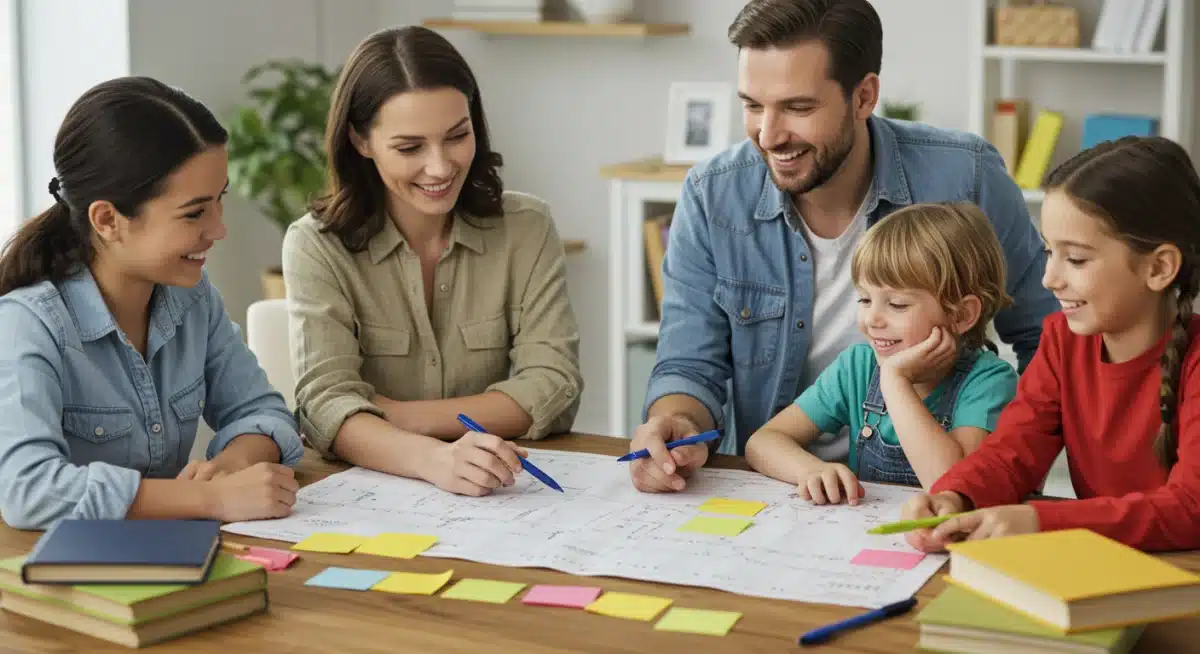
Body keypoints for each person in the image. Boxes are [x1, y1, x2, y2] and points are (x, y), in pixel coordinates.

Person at [628, 0, 1057, 493]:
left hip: (946, 491)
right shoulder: (713, 194)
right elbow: (689, 363)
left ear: (864, 97)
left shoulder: (968, 178)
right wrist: (677, 423)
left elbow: (1049, 340)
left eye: (798, 107)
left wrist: (1006, 472)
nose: (768, 135)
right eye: (752, 105)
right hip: (784, 489)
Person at [283, 26, 583, 498]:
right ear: (361, 141)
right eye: (410, 148)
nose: (441, 167)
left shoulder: (527, 227)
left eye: (457, 136)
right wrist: (434, 459)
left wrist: (396, 417)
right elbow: (326, 406)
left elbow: (553, 387)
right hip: (372, 499)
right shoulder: (316, 245)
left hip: (503, 493)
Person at [0, 77, 303, 530]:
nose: (219, 229)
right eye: (194, 213)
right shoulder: (27, 324)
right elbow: (29, 490)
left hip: (168, 561)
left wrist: (234, 465)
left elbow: (262, 411)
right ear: (107, 220)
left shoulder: (194, 299)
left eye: (220, 201)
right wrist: (205, 497)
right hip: (52, 584)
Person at [899, 136, 1200, 553]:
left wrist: (1042, 520)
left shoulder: (1195, 363)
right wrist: (954, 497)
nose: (1049, 278)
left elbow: (1190, 510)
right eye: (1048, 252)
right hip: (1100, 565)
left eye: (1075, 259)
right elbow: (1011, 452)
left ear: (1159, 267)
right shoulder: (1062, 341)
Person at [745, 202, 1018, 502]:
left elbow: (952, 485)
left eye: (897, 304)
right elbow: (763, 442)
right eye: (864, 299)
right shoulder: (857, 367)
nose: (872, 319)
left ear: (962, 314)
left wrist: (895, 381)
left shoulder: (990, 382)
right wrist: (810, 469)